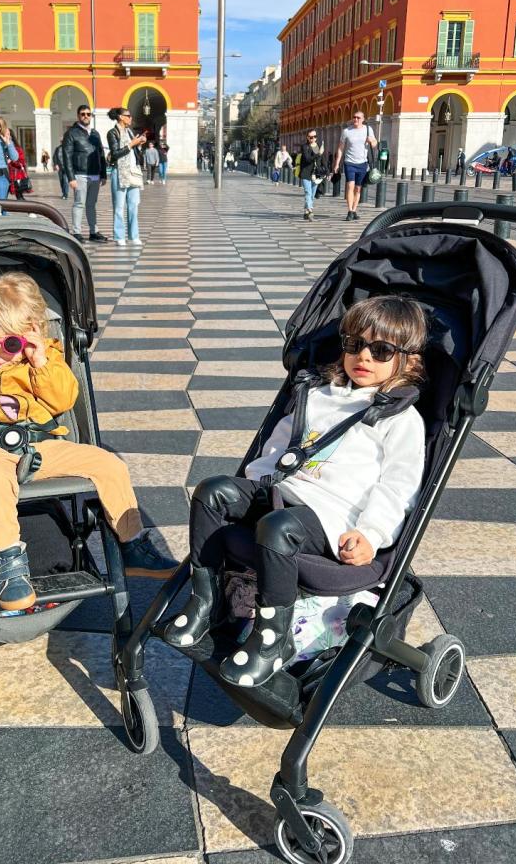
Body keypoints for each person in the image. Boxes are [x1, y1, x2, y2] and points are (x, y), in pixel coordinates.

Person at [163, 294, 427, 686]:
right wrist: (254, 487)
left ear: (407, 360)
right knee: (211, 490)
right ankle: (207, 600)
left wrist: (371, 534)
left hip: (331, 517)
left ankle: (273, 640)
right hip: (280, 492)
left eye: (381, 350)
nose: (364, 356)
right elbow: (279, 446)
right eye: (354, 344)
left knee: (277, 527)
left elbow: (398, 486)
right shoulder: (316, 395)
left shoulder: (401, 419)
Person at [0, 271, 178, 609]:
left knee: (108, 464)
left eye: (12, 344)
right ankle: (10, 564)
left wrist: (40, 362)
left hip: (42, 445)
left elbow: (63, 400)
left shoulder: (44, 357)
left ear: (30, 334)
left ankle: (132, 544)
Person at [61, 104, 108, 243]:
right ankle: (77, 232)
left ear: (91, 116)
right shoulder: (71, 133)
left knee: (91, 204)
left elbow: (101, 154)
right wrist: (71, 177)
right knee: (79, 203)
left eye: (88, 114)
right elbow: (67, 156)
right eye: (83, 114)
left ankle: (94, 232)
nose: (86, 116)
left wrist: (103, 174)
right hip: (80, 174)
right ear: (78, 116)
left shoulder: (95, 133)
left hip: (95, 174)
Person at [107, 106, 147, 247]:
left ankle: (134, 235)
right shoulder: (113, 133)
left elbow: (135, 154)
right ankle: (119, 236)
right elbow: (115, 154)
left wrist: (139, 144)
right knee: (119, 207)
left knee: (133, 206)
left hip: (133, 172)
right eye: (128, 116)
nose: (131, 118)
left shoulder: (130, 132)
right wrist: (131, 144)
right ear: (121, 117)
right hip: (120, 172)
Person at [333, 111, 377, 221]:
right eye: (354, 117)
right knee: (350, 186)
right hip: (349, 163)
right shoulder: (347, 131)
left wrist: (372, 141)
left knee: (358, 188)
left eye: (358, 117)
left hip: (362, 163)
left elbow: (375, 144)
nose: (356, 119)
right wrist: (337, 163)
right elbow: (340, 148)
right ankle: (350, 211)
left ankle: (354, 210)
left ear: (363, 119)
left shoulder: (368, 129)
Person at [299, 131, 327, 222]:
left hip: (316, 174)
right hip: (306, 173)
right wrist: (318, 154)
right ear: (307, 137)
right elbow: (307, 159)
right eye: (311, 137)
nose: (313, 138)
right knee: (308, 192)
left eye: (315, 136)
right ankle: (310, 211)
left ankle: (306, 211)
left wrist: (327, 171)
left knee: (312, 195)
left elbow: (322, 160)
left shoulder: (318, 146)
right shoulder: (305, 147)